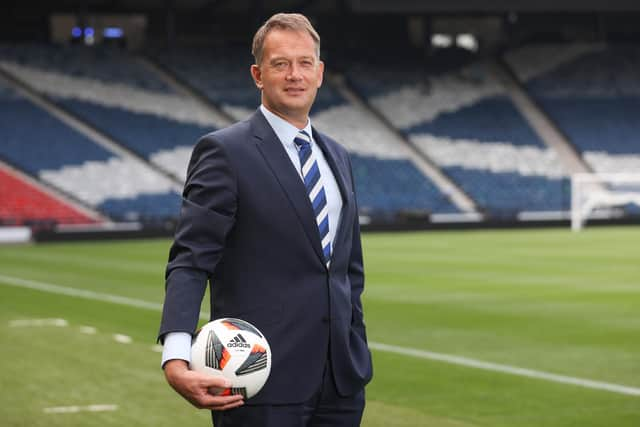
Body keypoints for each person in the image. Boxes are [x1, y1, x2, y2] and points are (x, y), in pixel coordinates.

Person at [158, 12, 373, 426]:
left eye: (304, 63)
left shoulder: (338, 155)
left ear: (320, 72)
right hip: (259, 383)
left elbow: (348, 271)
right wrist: (176, 356)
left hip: (342, 385)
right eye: (280, 64)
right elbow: (190, 259)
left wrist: (354, 345)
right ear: (258, 74)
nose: (295, 74)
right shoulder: (225, 152)